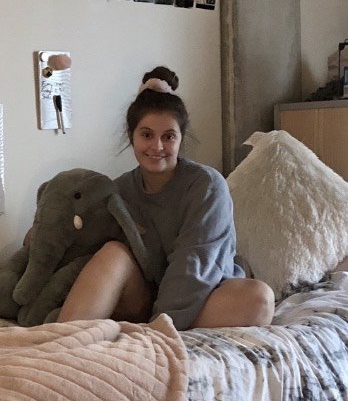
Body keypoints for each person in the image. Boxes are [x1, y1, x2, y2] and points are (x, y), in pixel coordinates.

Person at [57, 66, 274, 330]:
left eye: (168, 136)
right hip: (144, 298)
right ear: (132, 137)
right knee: (113, 253)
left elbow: (194, 267)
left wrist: (158, 327)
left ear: (181, 139)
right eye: (147, 135)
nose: (157, 147)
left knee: (259, 299)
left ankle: (145, 334)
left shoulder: (206, 185)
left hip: (206, 293)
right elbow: (83, 241)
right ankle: (61, 340)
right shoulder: (119, 190)